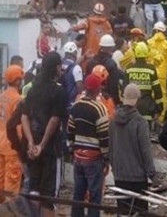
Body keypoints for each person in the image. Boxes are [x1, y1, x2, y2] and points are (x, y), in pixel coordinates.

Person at [21, 51, 68, 217]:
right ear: (56, 68)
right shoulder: (59, 92)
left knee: (34, 190)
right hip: (51, 150)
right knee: (49, 196)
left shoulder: (32, 90)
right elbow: (54, 120)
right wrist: (42, 145)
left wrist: (31, 143)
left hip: (33, 150)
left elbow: (24, 117)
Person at [109, 84, 156, 215]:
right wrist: (152, 175)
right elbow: (145, 151)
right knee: (139, 213)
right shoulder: (140, 122)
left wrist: (115, 168)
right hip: (137, 178)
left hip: (119, 176)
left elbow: (110, 148)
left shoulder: (113, 120)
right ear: (138, 100)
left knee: (123, 212)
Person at [68, 74, 109, 217]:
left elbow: (70, 131)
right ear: (98, 89)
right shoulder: (100, 109)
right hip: (93, 159)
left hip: (78, 157)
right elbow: (104, 136)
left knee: (78, 195)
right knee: (94, 197)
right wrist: (106, 157)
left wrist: (72, 150)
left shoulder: (76, 106)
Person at [0, 65, 25, 204]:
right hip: (12, 145)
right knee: (12, 179)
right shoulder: (18, 99)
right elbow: (18, 126)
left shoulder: (0, 98)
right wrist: (22, 144)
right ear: (17, 81)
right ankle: (9, 209)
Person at [125, 42, 163, 123]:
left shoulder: (129, 69)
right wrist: (159, 108)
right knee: (145, 134)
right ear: (147, 54)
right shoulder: (151, 70)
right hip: (147, 109)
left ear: (135, 53)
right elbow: (157, 91)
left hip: (131, 109)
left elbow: (124, 89)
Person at [147, 22, 167, 121]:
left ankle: (150, 116)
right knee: (162, 95)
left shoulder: (149, 42)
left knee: (150, 94)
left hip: (149, 73)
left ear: (155, 30)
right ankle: (161, 117)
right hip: (161, 75)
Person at [85, 35, 123, 107]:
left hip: (91, 99)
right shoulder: (112, 64)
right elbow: (114, 87)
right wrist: (116, 102)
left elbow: (86, 82)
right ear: (111, 48)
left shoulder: (90, 62)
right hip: (107, 101)